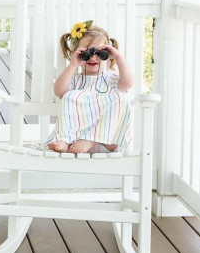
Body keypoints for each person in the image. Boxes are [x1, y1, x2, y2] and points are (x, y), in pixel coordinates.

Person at [45, 20, 134, 154]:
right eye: (86, 53)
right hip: (75, 141)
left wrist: (118, 56)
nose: (93, 57)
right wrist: (73, 65)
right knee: (68, 96)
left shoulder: (113, 79)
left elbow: (128, 84)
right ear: (77, 54)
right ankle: (64, 139)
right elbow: (59, 91)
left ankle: (92, 139)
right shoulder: (76, 81)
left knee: (121, 97)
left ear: (107, 55)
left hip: (106, 142)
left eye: (99, 53)